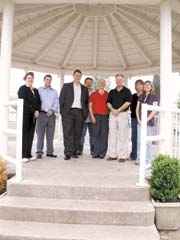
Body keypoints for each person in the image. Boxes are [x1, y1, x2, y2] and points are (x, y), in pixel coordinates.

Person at [59, 69, 89, 160]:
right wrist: (63, 112)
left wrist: (85, 114)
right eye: (76, 75)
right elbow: (61, 100)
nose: (77, 77)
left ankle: (74, 152)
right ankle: (68, 152)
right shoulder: (66, 86)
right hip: (68, 112)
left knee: (78, 133)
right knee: (68, 133)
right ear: (73, 76)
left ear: (81, 77)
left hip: (80, 112)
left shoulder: (84, 88)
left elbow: (86, 102)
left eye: (79, 75)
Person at [107, 74, 132, 162]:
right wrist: (112, 110)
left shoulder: (127, 91)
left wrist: (119, 110)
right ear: (115, 80)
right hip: (112, 114)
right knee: (112, 135)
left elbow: (128, 102)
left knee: (123, 135)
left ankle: (122, 156)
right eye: (117, 79)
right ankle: (112, 154)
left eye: (120, 79)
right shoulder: (112, 91)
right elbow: (108, 102)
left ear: (123, 80)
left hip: (123, 114)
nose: (119, 81)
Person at [17, 72, 41, 162]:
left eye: (32, 78)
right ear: (25, 78)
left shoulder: (35, 90)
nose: (30, 79)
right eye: (29, 78)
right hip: (25, 115)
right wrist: (33, 110)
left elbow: (39, 102)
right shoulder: (22, 89)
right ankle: (23, 155)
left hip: (33, 116)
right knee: (24, 135)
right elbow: (23, 102)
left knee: (30, 135)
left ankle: (28, 154)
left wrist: (38, 110)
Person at [36, 74, 59, 159]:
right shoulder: (39, 90)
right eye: (47, 79)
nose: (48, 81)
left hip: (51, 115)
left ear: (51, 81)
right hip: (41, 114)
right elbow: (37, 102)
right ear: (44, 80)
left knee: (50, 135)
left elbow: (57, 103)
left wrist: (52, 110)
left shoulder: (54, 91)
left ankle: (49, 152)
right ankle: (39, 152)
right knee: (40, 135)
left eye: (50, 80)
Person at [136, 80, 158, 165]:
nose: (147, 86)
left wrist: (146, 120)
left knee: (148, 142)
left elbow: (154, 110)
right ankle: (139, 159)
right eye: (145, 85)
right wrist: (139, 120)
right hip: (140, 122)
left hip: (149, 123)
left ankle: (148, 160)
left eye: (149, 85)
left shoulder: (154, 97)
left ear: (151, 87)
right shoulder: (141, 96)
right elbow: (137, 109)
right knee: (139, 141)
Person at [89, 79, 109, 159]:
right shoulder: (93, 94)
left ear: (105, 85)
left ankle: (102, 153)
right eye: (100, 83)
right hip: (96, 116)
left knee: (104, 135)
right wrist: (92, 116)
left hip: (105, 116)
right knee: (96, 134)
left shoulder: (108, 94)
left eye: (103, 83)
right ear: (98, 84)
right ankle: (96, 152)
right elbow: (90, 106)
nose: (102, 84)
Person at [77, 77, 95, 156]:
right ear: (84, 83)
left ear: (92, 83)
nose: (88, 83)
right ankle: (79, 150)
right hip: (83, 116)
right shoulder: (81, 91)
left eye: (90, 82)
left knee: (93, 134)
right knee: (81, 134)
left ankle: (93, 150)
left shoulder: (95, 92)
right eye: (87, 82)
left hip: (92, 117)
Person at [130, 79, 144, 161]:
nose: (138, 86)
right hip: (134, 118)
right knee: (134, 137)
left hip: (144, 120)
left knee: (142, 137)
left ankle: (141, 155)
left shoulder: (146, 96)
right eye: (137, 84)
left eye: (140, 84)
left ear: (143, 85)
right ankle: (134, 155)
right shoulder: (132, 96)